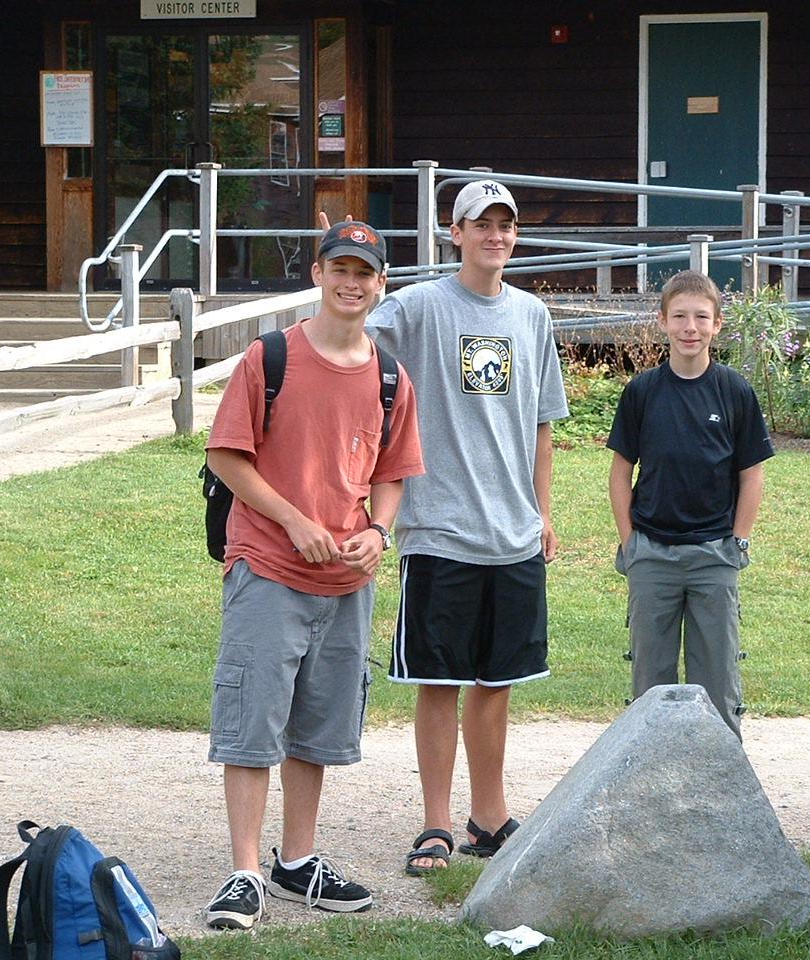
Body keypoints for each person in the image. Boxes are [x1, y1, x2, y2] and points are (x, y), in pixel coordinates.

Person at [203, 220, 424, 929]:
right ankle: (244, 872)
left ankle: (296, 862)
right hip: (268, 566)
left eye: (364, 273)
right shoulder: (269, 358)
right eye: (340, 269)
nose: (351, 283)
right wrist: (293, 519)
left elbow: (392, 472)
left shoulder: (389, 378)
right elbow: (225, 455)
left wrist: (378, 532)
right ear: (318, 274)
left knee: (317, 728)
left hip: (345, 583)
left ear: (381, 285)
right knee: (253, 722)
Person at [364, 180, 569, 875]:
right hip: (440, 531)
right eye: (481, 224)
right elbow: (350, 333)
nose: (495, 236)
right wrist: (344, 268)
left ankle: (489, 816)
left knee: (496, 683)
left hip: (513, 533)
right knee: (439, 682)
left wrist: (542, 512)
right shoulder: (421, 306)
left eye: (505, 225)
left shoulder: (532, 315)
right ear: (455, 233)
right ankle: (436, 823)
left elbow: (542, 426)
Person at [606, 269, 773, 738]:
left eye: (701, 317)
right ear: (662, 321)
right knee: (650, 682)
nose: (690, 328)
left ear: (717, 324)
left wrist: (738, 542)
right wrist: (630, 543)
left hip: (714, 555)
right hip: (652, 554)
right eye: (679, 316)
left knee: (718, 680)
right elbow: (620, 472)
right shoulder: (642, 392)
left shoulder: (734, 391)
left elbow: (752, 473)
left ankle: (722, 774)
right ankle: (647, 770)